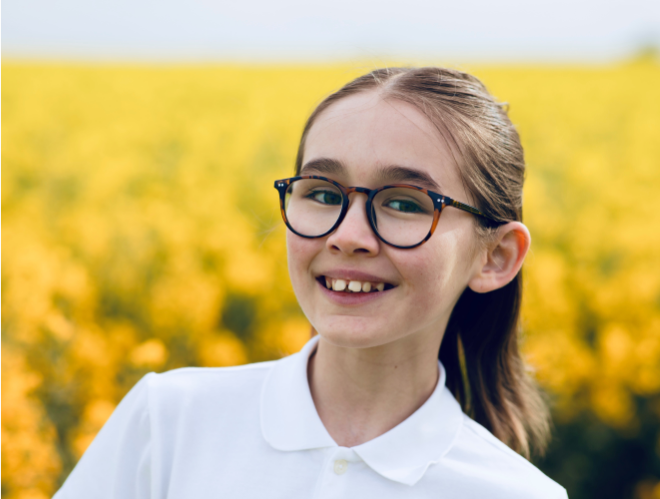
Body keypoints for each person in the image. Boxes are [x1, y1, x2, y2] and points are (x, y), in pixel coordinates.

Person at [54, 67, 568, 498]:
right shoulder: (170, 421)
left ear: (496, 257)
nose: (348, 236)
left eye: (405, 203)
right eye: (322, 194)